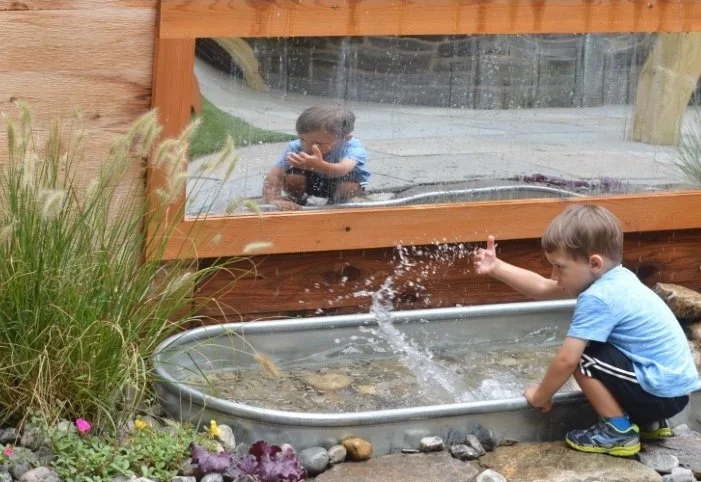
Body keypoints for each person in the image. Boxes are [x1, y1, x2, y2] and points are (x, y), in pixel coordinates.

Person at [473, 204, 700, 457]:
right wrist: (497, 267)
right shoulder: (617, 278)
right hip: (675, 393)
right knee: (599, 352)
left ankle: (618, 432)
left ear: (594, 262)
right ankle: (649, 423)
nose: (554, 274)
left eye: (559, 266)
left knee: (582, 357)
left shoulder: (598, 298)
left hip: (659, 394)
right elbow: (542, 287)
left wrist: (541, 396)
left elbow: (566, 360)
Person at [262, 104, 369, 210]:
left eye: (318, 144)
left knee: (350, 187)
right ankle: (296, 200)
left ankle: (336, 205)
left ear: (345, 138)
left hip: (338, 183)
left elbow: (342, 169)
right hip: (311, 182)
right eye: (303, 139)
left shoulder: (353, 149)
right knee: (293, 178)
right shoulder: (296, 147)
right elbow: (275, 174)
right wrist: (272, 199)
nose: (307, 148)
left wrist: (319, 165)